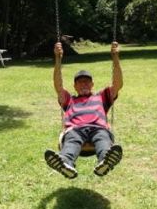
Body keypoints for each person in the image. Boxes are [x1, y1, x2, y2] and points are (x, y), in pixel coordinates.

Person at [44, 41, 123, 179]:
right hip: (75, 129)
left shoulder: (102, 96)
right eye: (80, 82)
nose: (84, 84)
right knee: (71, 140)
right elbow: (58, 85)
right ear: (75, 86)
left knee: (103, 138)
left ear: (92, 84)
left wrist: (115, 58)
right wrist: (58, 59)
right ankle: (65, 163)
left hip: (98, 128)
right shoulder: (69, 100)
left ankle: (105, 161)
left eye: (87, 81)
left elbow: (118, 84)